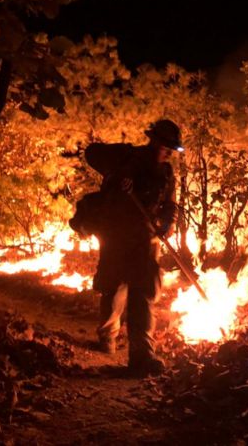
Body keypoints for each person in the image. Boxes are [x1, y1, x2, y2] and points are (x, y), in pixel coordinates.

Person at [83, 119, 183, 376]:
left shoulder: (166, 173)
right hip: (117, 234)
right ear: (154, 140)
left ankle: (142, 355)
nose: (169, 151)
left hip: (146, 239)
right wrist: (116, 177)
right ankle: (108, 334)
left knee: (144, 293)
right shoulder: (128, 156)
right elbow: (91, 153)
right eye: (166, 146)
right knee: (113, 286)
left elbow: (171, 205)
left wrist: (167, 223)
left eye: (172, 148)